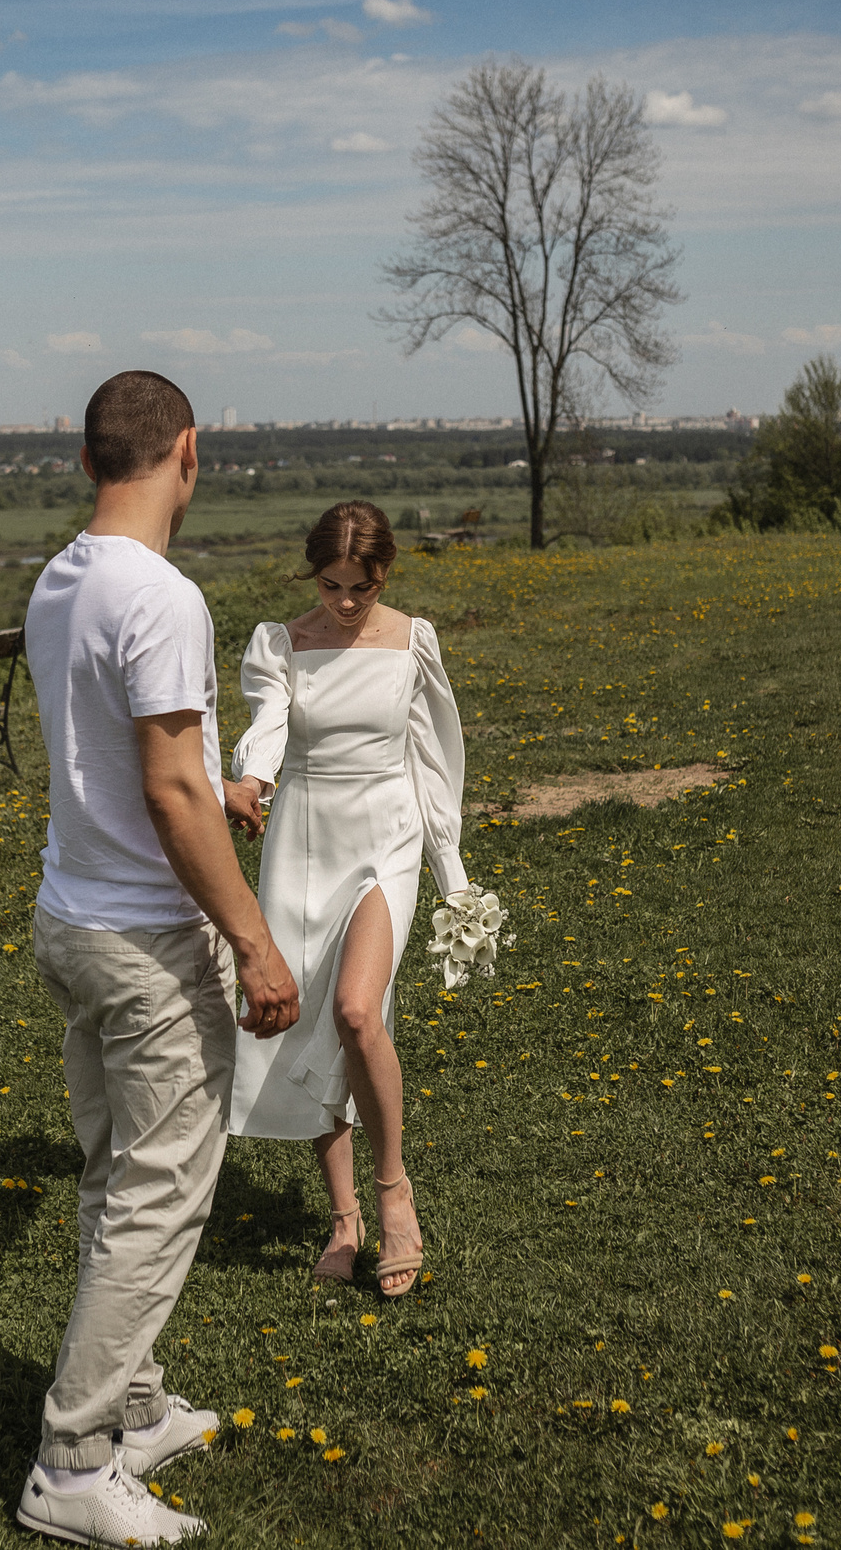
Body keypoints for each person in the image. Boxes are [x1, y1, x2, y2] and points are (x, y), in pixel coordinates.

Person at [14, 370, 301, 1547]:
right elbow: (169, 787)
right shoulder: (165, 594)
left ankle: (132, 1408)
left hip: (70, 919)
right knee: (159, 1196)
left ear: (90, 461)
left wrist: (213, 786)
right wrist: (254, 942)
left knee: (111, 1175)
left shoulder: (59, 580)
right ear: (191, 451)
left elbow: (135, 760)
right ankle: (74, 1466)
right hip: (143, 943)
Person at [226, 500, 469, 1300]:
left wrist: (452, 874)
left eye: (358, 587)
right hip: (302, 840)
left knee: (358, 1011)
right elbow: (269, 727)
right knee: (309, 1020)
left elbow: (432, 761)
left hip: (384, 837)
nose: (343, 602)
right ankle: (343, 1215)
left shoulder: (411, 641)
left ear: (383, 575)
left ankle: (394, 1193)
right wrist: (252, 780)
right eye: (330, 585)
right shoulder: (283, 644)